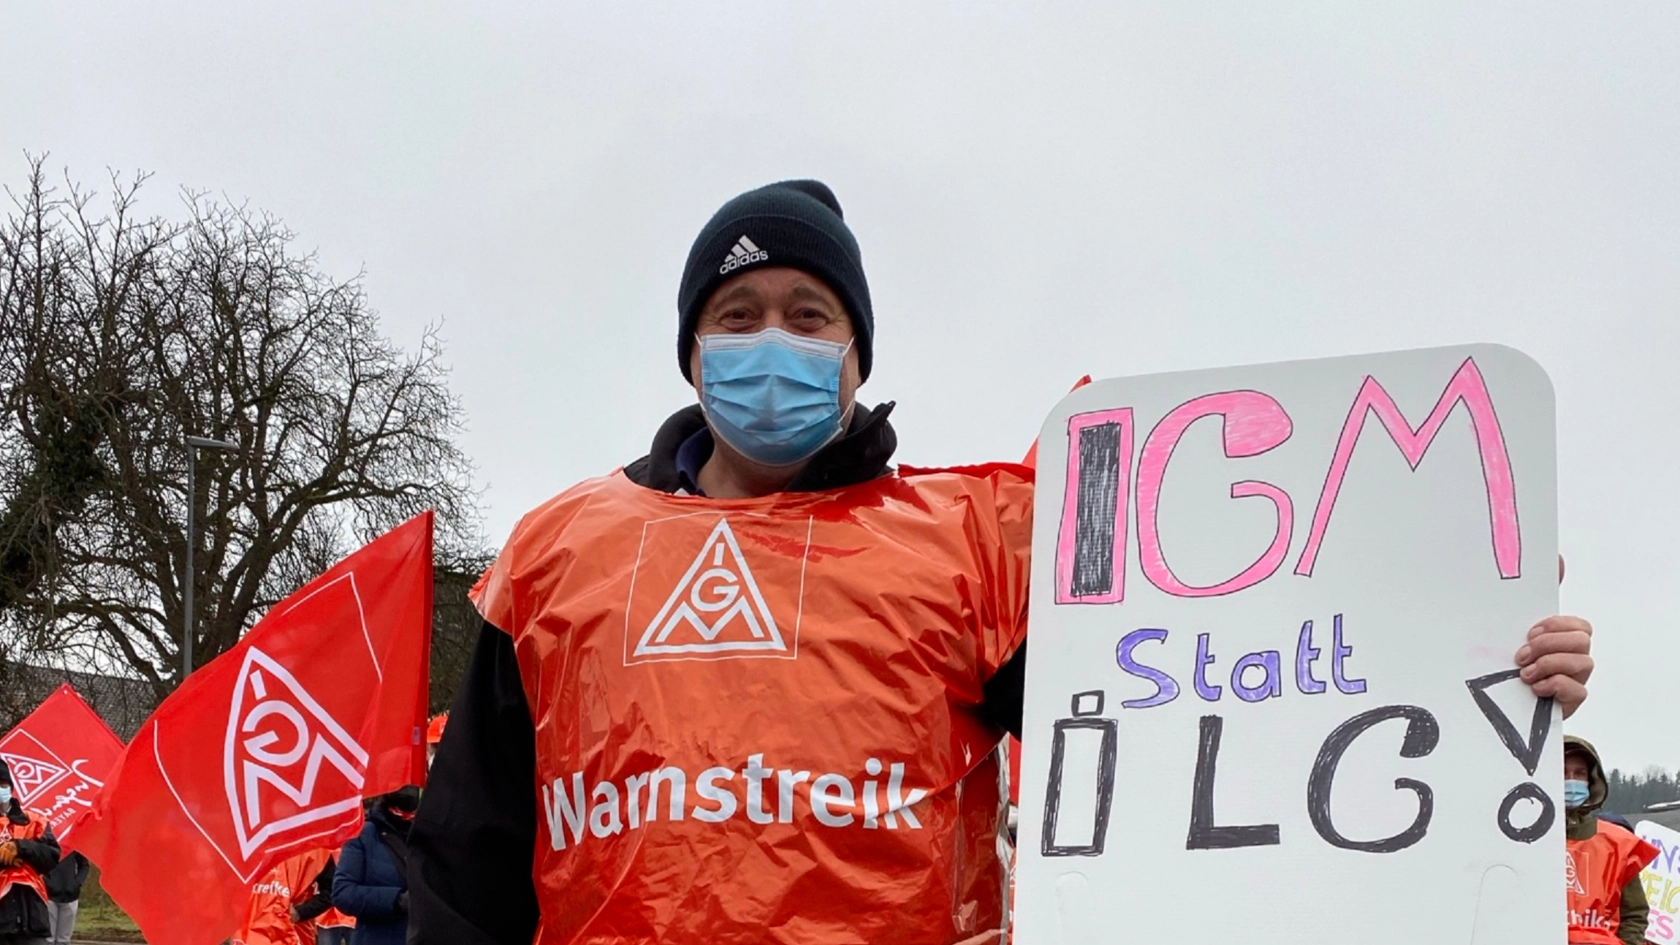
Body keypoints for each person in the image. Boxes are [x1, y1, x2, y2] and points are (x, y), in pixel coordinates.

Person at [407, 180, 1600, 944]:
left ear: (857, 355)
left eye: (810, 315)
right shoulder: (561, 551)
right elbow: (471, 851)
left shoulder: (969, 541)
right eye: (739, 313)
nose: (773, 338)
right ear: (691, 351)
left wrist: (1470, 663)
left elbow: (1209, 723)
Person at [1564, 736, 1658, 945]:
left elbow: (1634, 913)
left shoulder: (1619, 843)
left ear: (1591, 779)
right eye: (1563, 772)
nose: (1571, 780)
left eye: (1580, 773)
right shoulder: (1520, 840)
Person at [332, 787, 416, 945]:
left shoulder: (433, 833)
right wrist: (397, 900)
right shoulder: (363, 834)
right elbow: (343, 893)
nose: (410, 790)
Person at [0, 759, 60, 945]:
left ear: (10, 787)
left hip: (31, 918)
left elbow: (51, 856)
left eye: (2, 785)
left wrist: (21, 847)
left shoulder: (34, 820)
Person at [231, 847, 336, 945]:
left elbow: (332, 890)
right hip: (250, 931)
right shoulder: (252, 843)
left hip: (293, 932)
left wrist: (301, 912)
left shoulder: (315, 849)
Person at [40, 851, 86, 945]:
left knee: (64, 940)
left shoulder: (73, 842)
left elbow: (85, 866)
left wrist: (76, 883)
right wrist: (47, 883)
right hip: (49, 897)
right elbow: (37, 863)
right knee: (48, 939)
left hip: (71, 897)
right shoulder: (46, 840)